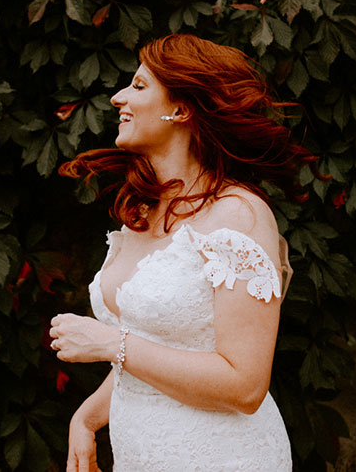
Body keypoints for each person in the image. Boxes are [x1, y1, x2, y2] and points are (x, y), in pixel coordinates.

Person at [50, 34, 316, 472]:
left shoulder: (238, 216)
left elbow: (245, 385)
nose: (117, 98)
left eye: (137, 87)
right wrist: (87, 417)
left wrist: (110, 343)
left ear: (180, 109)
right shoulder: (142, 212)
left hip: (223, 457)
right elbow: (157, 353)